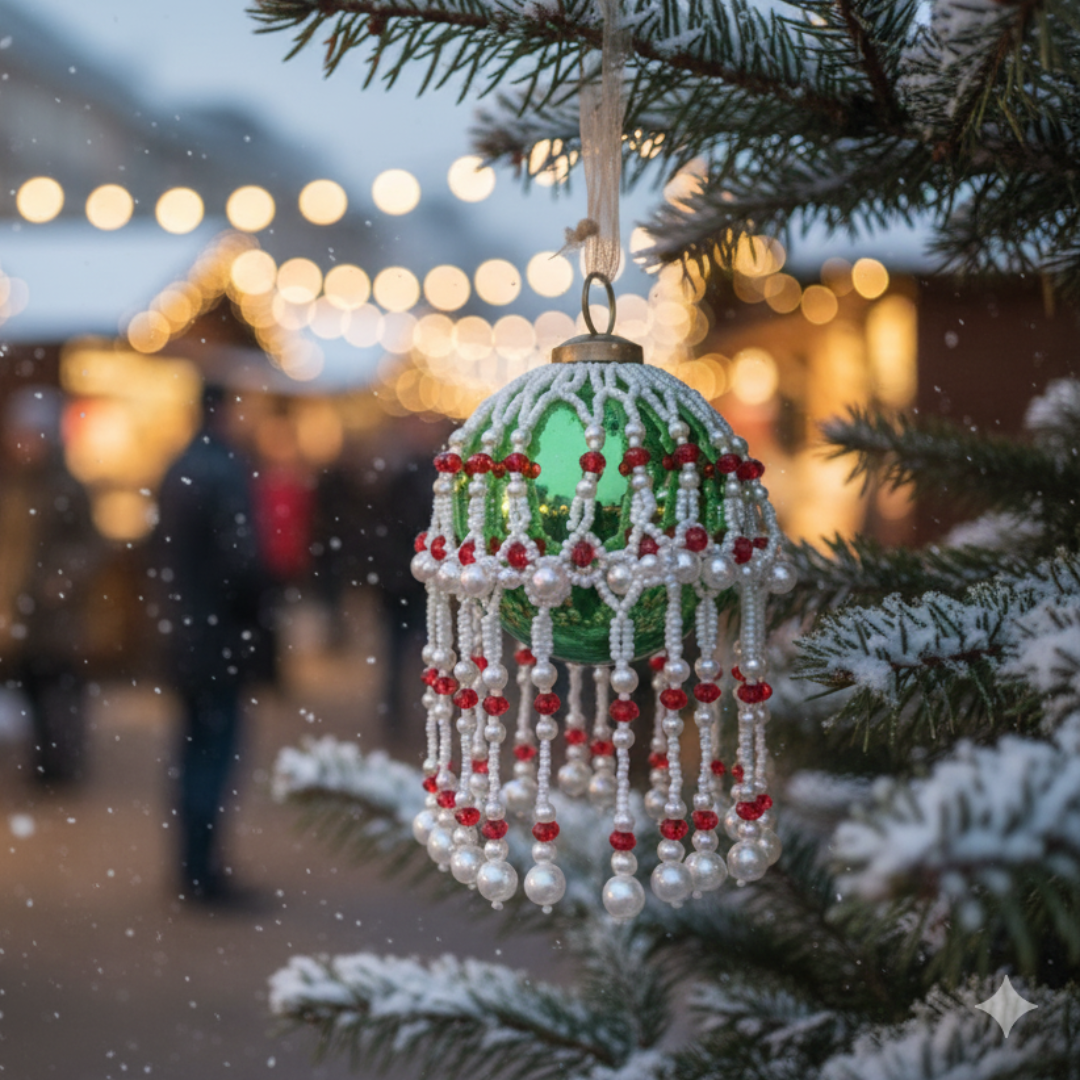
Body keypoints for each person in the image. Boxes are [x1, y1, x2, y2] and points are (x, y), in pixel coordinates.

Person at [154, 383, 269, 904]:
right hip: (216, 636)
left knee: (192, 748)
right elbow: (239, 562)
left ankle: (190, 864)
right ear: (222, 411)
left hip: (183, 633)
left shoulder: (179, 466)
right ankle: (202, 872)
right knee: (215, 752)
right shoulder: (223, 470)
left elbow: (163, 558)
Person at [0, 386, 102, 784]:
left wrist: (64, 576)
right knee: (29, 690)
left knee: (58, 692)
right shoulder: (12, 485)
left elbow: (91, 544)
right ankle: (43, 766)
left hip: (56, 615)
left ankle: (62, 768)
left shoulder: (68, 486)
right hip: (18, 610)